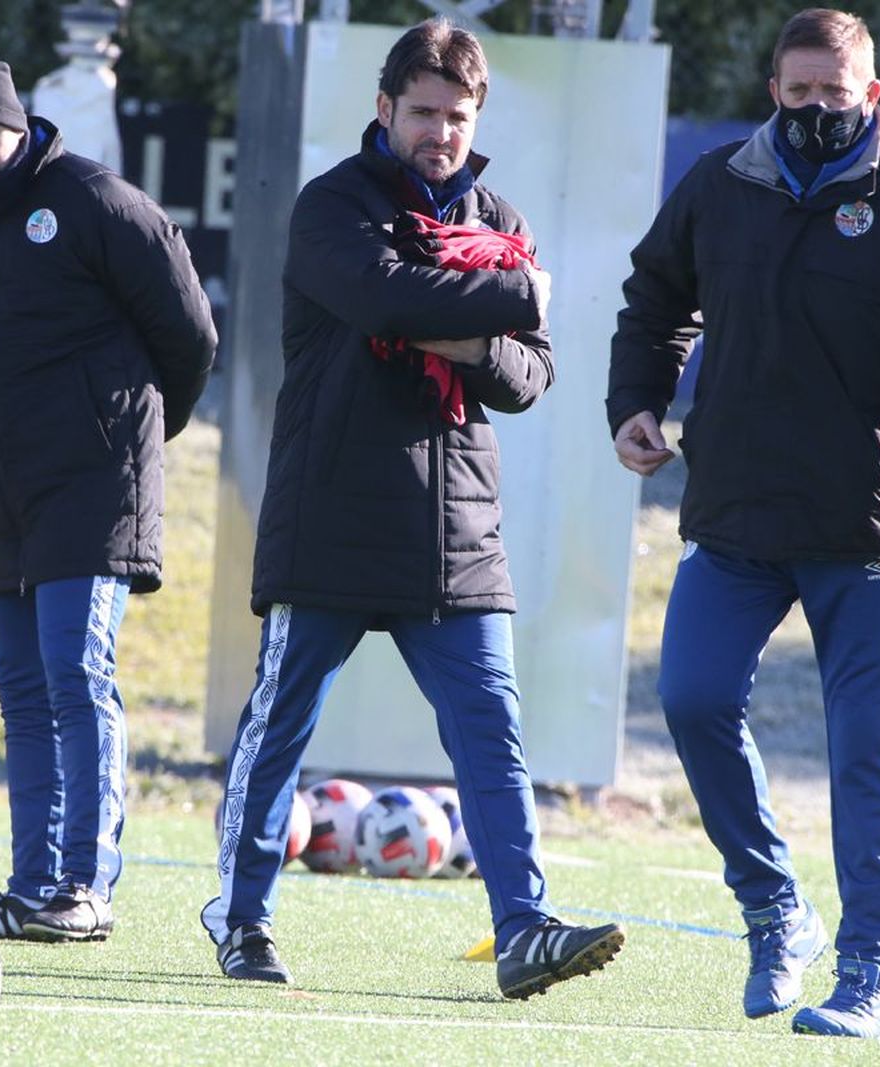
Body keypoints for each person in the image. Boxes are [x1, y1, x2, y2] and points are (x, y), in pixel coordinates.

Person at [607, 8, 880, 1039]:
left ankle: (868, 970)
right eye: (797, 95)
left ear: (868, 96)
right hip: (736, 514)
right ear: (773, 93)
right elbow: (653, 300)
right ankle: (771, 902)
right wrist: (635, 402)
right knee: (691, 700)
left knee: (861, 754)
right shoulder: (717, 187)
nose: (814, 112)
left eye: (834, 95)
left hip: (867, 531)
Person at [201, 18, 623, 1000]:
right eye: (421, 111)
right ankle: (243, 916)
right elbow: (386, 297)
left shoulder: (495, 211)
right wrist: (510, 290)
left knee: (492, 733)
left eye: (456, 114)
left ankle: (522, 927)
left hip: (456, 534)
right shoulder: (332, 208)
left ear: (477, 118)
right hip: (332, 514)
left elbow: (529, 374)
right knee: (280, 729)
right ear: (384, 110)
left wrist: (478, 336)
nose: (438, 130)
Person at [0, 49, 217, 943]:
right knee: (20, 690)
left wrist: (126, 437)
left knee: (77, 675)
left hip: (95, 484)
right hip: (0, 492)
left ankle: (85, 884)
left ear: (23, 126)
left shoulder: (97, 201)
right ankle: (33, 883)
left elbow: (192, 336)